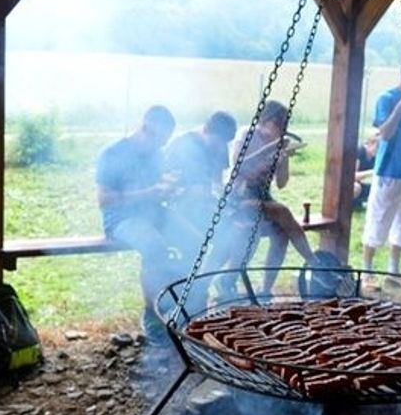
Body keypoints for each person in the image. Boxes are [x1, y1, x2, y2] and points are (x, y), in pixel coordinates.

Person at [97, 105, 199, 333]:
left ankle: (185, 305)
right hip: (121, 219)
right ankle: (153, 316)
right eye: (160, 139)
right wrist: (149, 192)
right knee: (155, 247)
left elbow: (158, 187)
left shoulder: (156, 154)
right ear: (145, 128)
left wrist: (170, 190)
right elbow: (104, 200)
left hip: (154, 212)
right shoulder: (113, 153)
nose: (162, 145)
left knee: (196, 241)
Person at [222, 100, 319, 297]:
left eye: (284, 126)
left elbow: (282, 183)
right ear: (266, 121)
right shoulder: (246, 134)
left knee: (282, 233)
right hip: (237, 197)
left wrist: (284, 159)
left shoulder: (278, 143)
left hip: (261, 195)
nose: (282, 130)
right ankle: (315, 263)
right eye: (279, 125)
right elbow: (240, 166)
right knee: (282, 211)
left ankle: (265, 289)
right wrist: (272, 148)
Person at [361, 58, 401, 285]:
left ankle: (393, 272)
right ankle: (367, 272)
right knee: (379, 220)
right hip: (388, 170)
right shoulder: (387, 99)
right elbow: (385, 133)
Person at [352, 132, 379, 209]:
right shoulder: (360, 151)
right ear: (370, 144)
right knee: (356, 187)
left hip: (361, 183)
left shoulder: (374, 157)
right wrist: (371, 172)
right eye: (377, 147)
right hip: (348, 184)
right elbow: (352, 176)